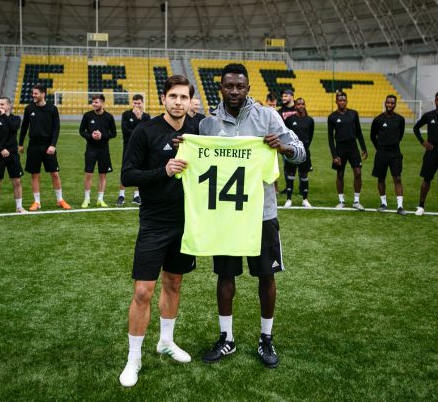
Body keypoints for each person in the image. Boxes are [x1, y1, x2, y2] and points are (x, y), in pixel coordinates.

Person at [198, 63, 305, 369]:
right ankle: (227, 338)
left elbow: (300, 151)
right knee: (225, 275)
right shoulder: (208, 124)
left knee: (266, 276)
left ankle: (266, 338)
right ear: (221, 88)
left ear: (248, 88)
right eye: (229, 86)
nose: (234, 91)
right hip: (226, 214)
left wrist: (283, 148)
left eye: (240, 86)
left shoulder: (268, 116)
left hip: (262, 213)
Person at [118, 75, 199, 387]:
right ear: (163, 98)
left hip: (187, 221)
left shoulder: (198, 131)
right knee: (143, 290)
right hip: (154, 221)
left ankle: (166, 341)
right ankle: (133, 358)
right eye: (173, 96)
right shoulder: (145, 131)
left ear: (190, 101)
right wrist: (163, 170)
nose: (178, 102)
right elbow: (128, 175)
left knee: (174, 283)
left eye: (183, 97)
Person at [18, 84, 71, 210]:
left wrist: (53, 145)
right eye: (33, 93)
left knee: (55, 174)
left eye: (36, 93)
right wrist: (20, 143)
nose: (33, 95)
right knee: (35, 175)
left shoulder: (52, 109)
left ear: (43, 94)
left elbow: (56, 128)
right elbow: (24, 127)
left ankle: (60, 200)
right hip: (33, 146)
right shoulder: (29, 108)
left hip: (48, 146)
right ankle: (37, 202)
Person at [0, 97, 27, 215]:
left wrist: (4, 116)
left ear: (9, 106)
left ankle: (19, 207)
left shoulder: (16, 119)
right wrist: (1, 149)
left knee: (17, 181)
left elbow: (13, 128)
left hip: (13, 154)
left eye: (2, 104)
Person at [327, 91, 368, 210]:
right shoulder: (332, 117)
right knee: (340, 174)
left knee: (358, 173)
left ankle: (356, 201)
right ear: (336, 102)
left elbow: (359, 132)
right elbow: (330, 138)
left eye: (344, 100)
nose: (342, 102)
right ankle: (341, 201)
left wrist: (363, 147)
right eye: (340, 100)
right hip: (340, 148)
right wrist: (334, 155)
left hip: (353, 147)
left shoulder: (353, 114)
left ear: (347, 101)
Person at [370, 95, 407, 215]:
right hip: (382, 153)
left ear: (395, 104)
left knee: (397, 178)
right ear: (385, 103)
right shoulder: (378, 119)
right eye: (388, 103)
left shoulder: (400, 119)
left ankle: (400, 206)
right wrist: (379, 148)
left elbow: (400, 135)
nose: (390, 105)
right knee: (381, 178)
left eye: (392, 103)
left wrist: (393, 144)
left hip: (395, 153)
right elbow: (372, 136)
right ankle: (383, 203)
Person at [79, 94, 116, 208]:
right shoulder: (87, 115)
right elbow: (81, 131)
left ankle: (100, 199)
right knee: (88, 174)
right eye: (93, 102)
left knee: (102, 175)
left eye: (96, 102)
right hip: (91, 149)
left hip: (104, 150)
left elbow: (113, 133)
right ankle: (87, 199)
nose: (93, 104)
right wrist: (90, 136)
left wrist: (102, 136)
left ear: (102, 103)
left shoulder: (109, 117)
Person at [117, 94, 150, 207]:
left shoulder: (146, 116)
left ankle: (137, 195)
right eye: (135, 103)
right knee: (125, 169)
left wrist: (139, 118)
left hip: (141, 148)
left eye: (139, 103)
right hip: (128, 147)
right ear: (132, 103)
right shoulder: (126, 114)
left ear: (142, 103)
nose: (136, 105)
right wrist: (138, 130)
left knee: (140, 170)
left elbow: (146, 133)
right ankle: (121, 195)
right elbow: (125, 131)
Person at [284, 97, 314, 208]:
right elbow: (286, 134)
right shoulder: (290, 119)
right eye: (298, 104)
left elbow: (310, 136)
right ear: (295, 106)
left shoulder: (310, 120)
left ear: (304, 105)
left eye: (302, 104)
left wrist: (305, 148)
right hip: (292, 152)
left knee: (304, 174)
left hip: (305, 152)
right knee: (290, 174)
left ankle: (305, 199)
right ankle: (288, 199)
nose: (300, 106)